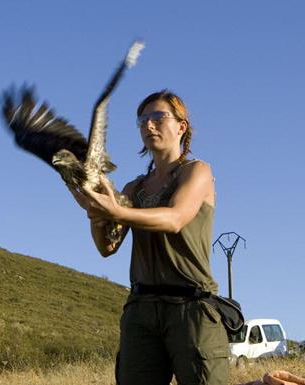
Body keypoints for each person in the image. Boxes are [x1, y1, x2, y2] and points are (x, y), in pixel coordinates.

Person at [69, 90, 229, 385]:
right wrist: (95, 213)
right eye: (142, 121)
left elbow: (175, 218)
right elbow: (107, 247)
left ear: (182, 126)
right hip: (141, 309)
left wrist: (115, 211)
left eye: (158, 117)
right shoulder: (134, 187)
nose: (148, 125)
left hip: (191, 308)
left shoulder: (197, 171)